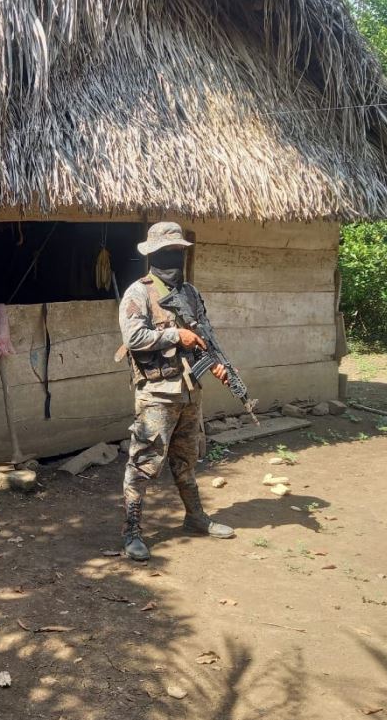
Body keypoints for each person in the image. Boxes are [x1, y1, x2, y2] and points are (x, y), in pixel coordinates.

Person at [117, 222, 236, 562]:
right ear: (153, 255)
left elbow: (206, 335)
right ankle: (132, 532)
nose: (174, 258)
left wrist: (218, 364)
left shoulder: (191, 294)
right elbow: (133, 338)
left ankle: (195, 518)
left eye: (178, 252)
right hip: (157, 393)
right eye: (167, 252)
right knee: (143, 462)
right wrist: (175, 336)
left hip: (189, 391)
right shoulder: (138, 293)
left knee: (186, 459)